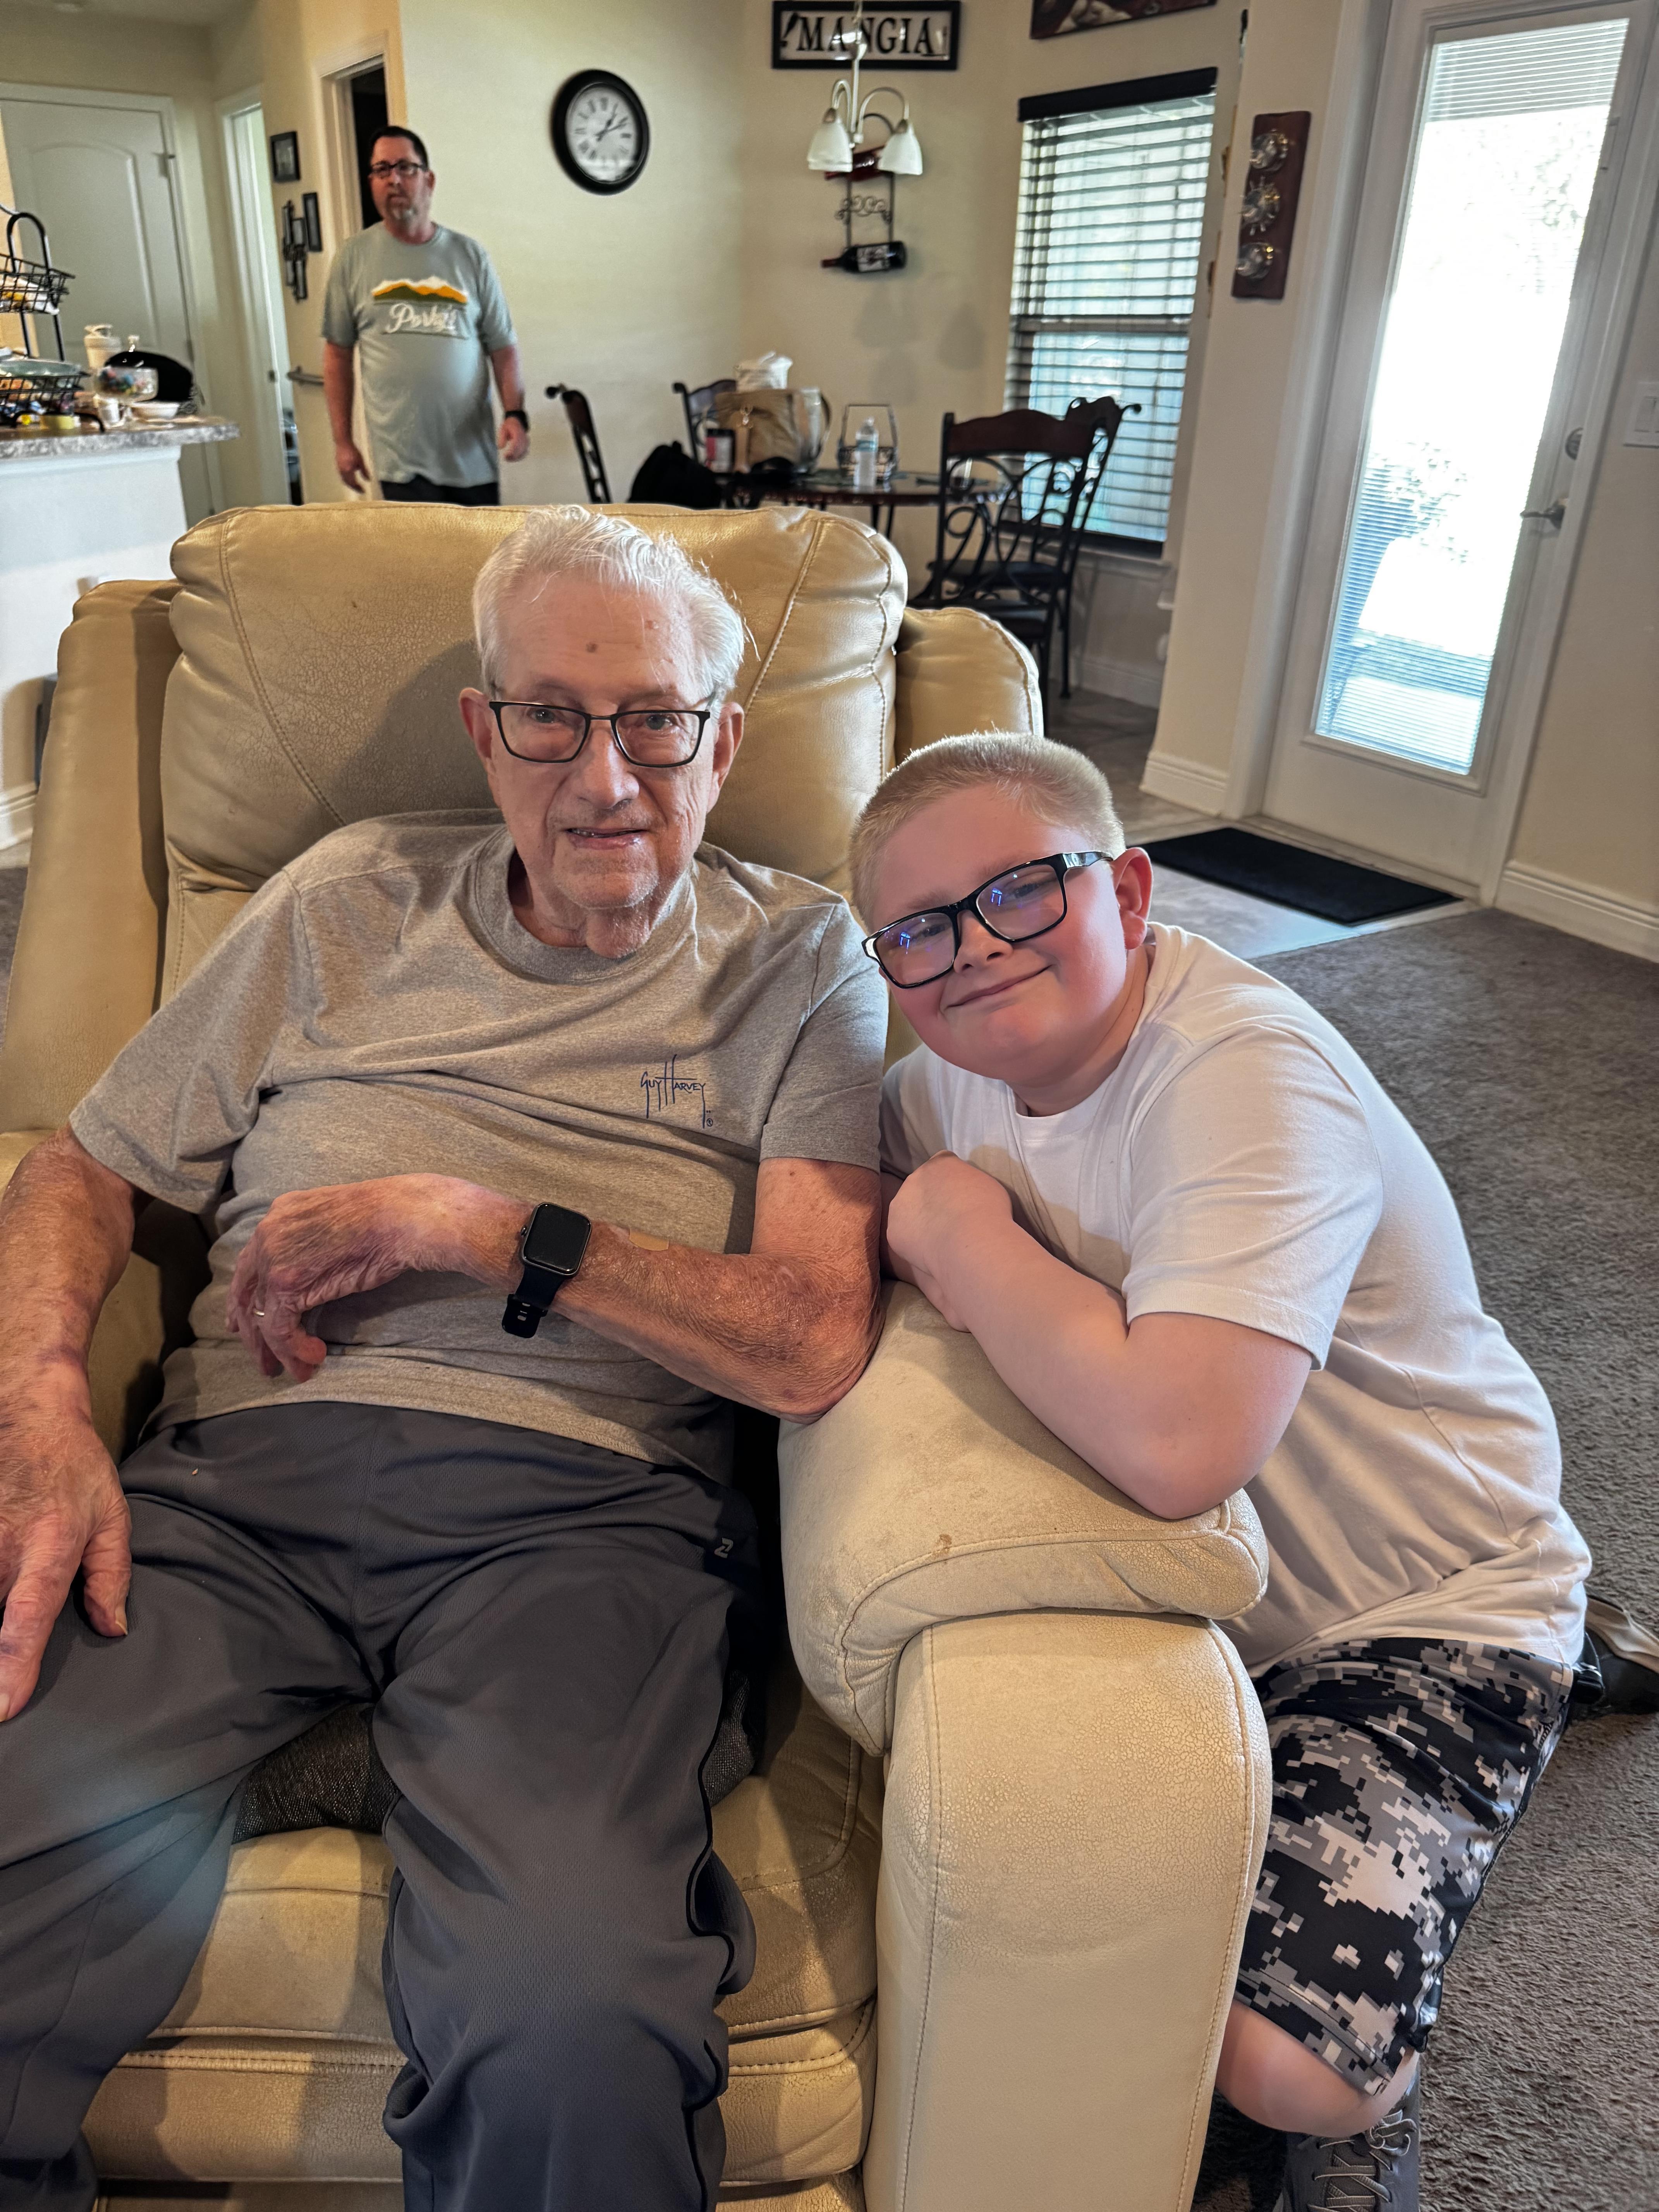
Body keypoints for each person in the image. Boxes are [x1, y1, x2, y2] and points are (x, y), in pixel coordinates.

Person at [0, 509, 886, 2212]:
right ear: (484, 733)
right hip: (230, 1491)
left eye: (655, 721)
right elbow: (79, 1163)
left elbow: (808, 1336)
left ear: (726, 742)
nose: (606, 775)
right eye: (551, 715)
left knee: (570, 2001)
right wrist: (43, 1394)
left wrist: (491, 1229)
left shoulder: (799, 960)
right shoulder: (340, 898)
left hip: (581, 1522)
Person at [853, 732, 1592, 2212]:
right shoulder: (936, 1090)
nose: (975, 953)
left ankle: (1556, 1678)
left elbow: (1180, 1448)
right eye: (919, 928)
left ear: (1127, 887)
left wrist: (951, 1228)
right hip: (1210, 1616)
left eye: (1021, 891)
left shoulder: (1245, 1075)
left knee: (1281, 2067)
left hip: (1425, 1605)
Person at [322, 125, 528, 505]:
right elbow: (337, 355)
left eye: (405, 167)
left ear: (428, 180)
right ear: (371, 182)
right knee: (417, 565)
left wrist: (516, 414)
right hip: (401, 466)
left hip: (472, 459)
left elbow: (503, 348)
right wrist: (343, 442)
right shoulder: (353, 258)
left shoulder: (470, 256)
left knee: (479, 564)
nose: (393, 179)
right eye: (381, 170)